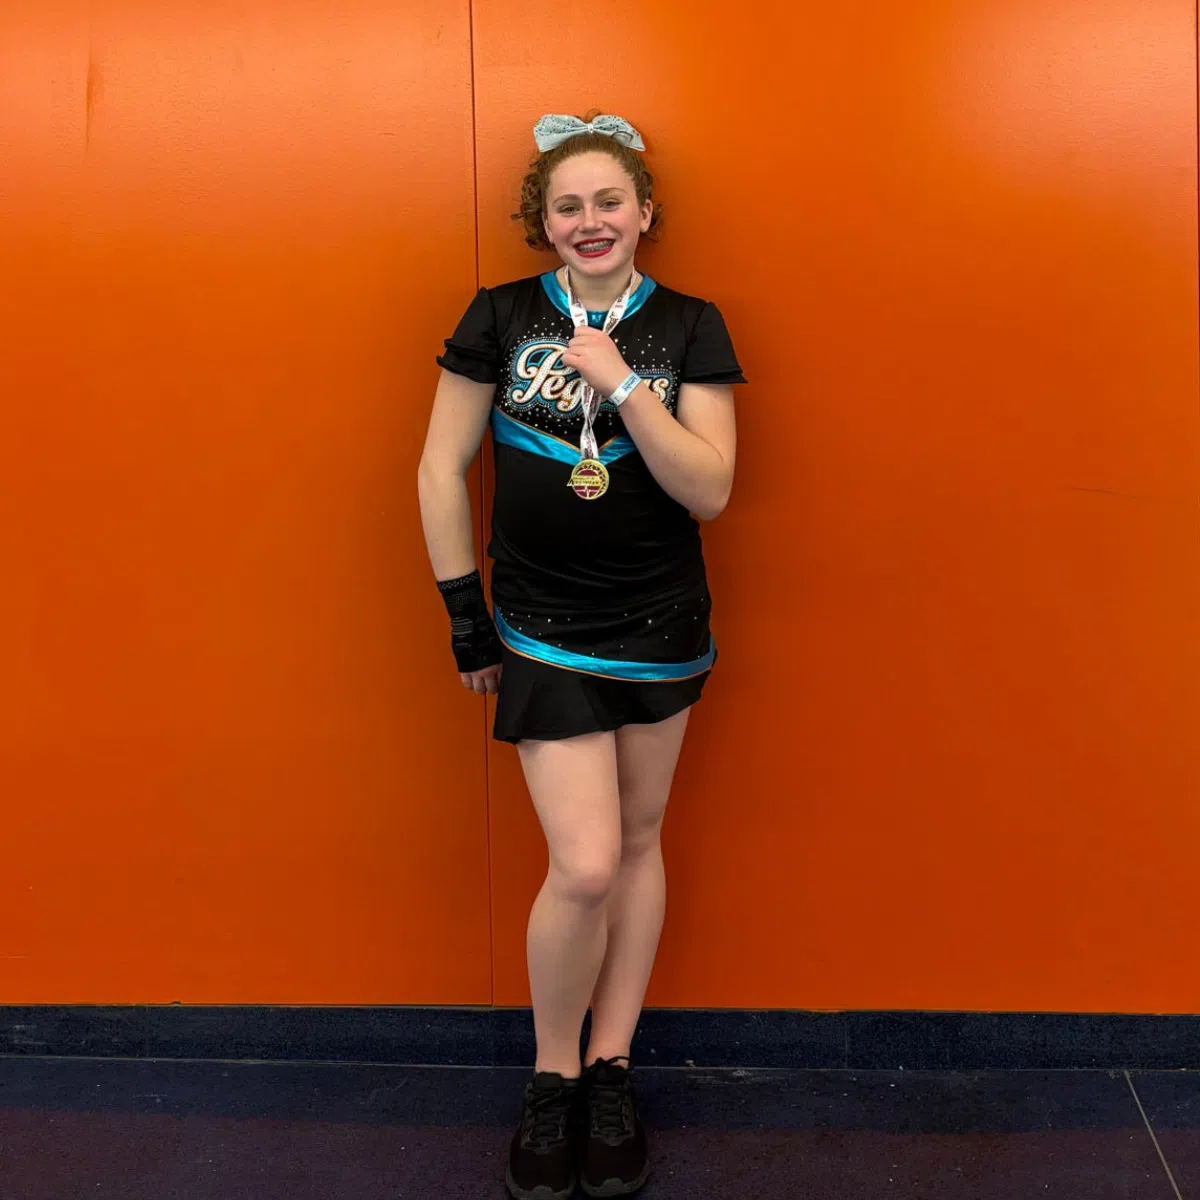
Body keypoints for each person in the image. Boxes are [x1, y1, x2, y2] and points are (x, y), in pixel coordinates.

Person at [417, 109, 746, 1200]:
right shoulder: (501, 315)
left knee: (640, 842)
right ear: (543, 221)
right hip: (541, 628)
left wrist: (622, 382)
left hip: (661, 625)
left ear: (645, 212)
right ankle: (551, 1076)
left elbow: (709, 489)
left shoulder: (690, 324)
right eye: (568, 205)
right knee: (588, 863)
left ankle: (611, 1068)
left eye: (610, 201)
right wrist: (465, 616)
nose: (590, 220)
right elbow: (439, 467)